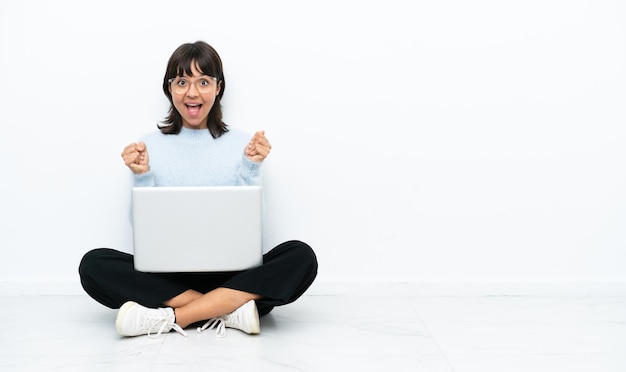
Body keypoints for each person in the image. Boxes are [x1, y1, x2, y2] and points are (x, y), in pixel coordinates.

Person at [78, 41, 318, 338]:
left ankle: (174, 317)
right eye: (181, 82)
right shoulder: (148, 145)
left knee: (301, 256)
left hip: (231, 274)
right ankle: (230, 309)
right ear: (169, 89)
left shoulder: (242, 144)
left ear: (219, 88)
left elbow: (252, 224)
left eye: (203, 82)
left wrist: (251, 168)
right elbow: (143, 228)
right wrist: (142, 176)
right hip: (170, 278)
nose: (192, 93)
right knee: (94, 264)